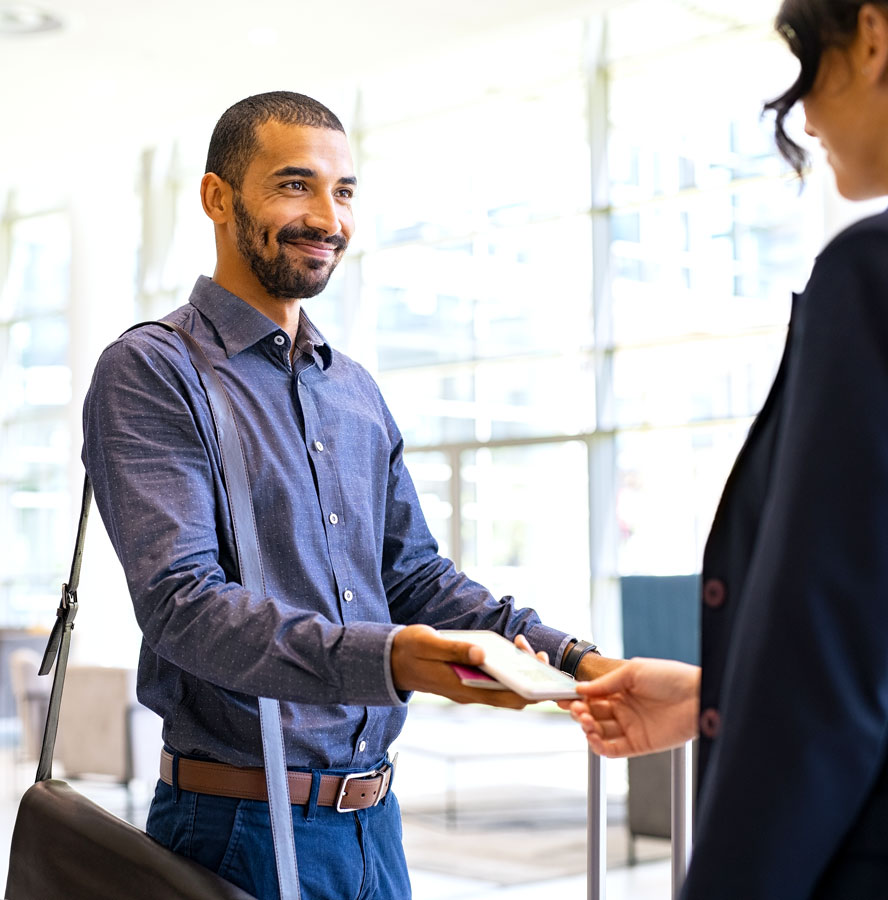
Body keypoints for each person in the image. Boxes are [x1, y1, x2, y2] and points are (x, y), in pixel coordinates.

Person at [82, 91, 620, 900]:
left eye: (344, 192)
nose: (327, 217)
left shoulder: (355, 389)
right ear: (216, 199)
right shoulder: (155, 371)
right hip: (237, 831)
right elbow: (182, 606)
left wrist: (577, 659)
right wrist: (390, 658)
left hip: (375, 822)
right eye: (294, 186)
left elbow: (415, 578)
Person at [566, 2, 888, 897]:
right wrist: (720, 696)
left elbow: (826, 677)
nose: (808, 117)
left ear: (870, 37)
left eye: (805, 64)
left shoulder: (871, 279)